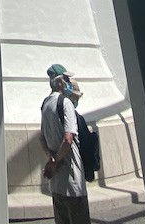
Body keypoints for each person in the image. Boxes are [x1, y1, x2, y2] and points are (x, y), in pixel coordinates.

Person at [40, 73, 90, 224]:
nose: (69, 84)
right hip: (73, 183)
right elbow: (68, 139)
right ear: (60, 82)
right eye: (67, 80)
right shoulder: (65, 103)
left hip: (56, 186)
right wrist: (56, 161)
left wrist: (51, 157)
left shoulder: (45, 103)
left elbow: (42, 138)